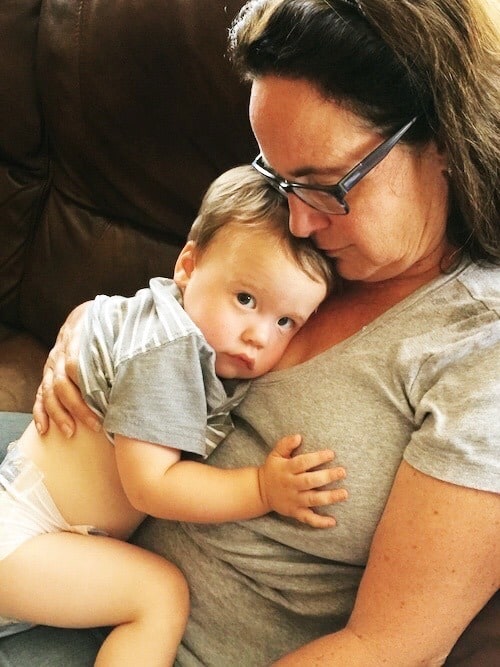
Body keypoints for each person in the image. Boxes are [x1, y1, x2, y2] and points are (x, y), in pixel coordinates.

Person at [1, 0, 499, 664]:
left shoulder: (476, 351)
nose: (294, 222)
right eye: (278, 176)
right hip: (61, 519)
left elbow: (387, 648)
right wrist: (86, 328)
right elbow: (172, 304)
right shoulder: (329, 243)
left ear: (439, 136)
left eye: (324, 185)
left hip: (140, 626)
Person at [0, 165, 346, 666]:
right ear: (188, 265)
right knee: (160, 596)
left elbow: (100, 312)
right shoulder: (170, 352)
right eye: (246, 299)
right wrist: (261, 490)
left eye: (285, 321)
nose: (259, 336)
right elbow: (150, 486)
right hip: (25, 536)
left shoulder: (161, 321)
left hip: (33, 532)